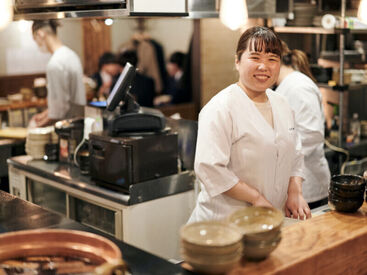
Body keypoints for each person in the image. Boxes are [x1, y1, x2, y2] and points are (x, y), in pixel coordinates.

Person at [188, 26, 311, 223]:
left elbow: (294, 154)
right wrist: (255, 198)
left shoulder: (282, 104)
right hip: (225, 223)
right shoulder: (221, 108)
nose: (264, 66)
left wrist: (294, 190)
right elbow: (210, 168)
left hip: (269, 221)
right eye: (255, 58)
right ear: (237, 62)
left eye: (272, 59)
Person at [275, 41, 331, 209]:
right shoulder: (285, 86)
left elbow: (311, 135)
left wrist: (278, 158)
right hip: (290, 184)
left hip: (308, 186)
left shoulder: (298, 86)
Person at [31, 20, 86, 127]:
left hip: (67, 128)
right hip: (79, 123)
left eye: (35, 40)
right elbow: (65, 102)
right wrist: (45, 114)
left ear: (40, 34)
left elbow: (59, 111)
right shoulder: (71, 55)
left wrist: (35, 129)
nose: (37, 44)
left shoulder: (55, 64)